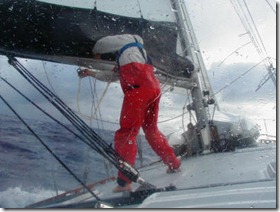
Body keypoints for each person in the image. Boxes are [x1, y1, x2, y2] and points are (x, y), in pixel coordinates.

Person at [78, 34, 181, 193]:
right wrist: (91, 73)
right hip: (153, 89)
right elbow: (112, 76)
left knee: (126, 133)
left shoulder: (130, 40)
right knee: (151, 130)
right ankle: (173, 163)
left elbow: (101, 44)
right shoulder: (134, 54)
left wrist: (95, 54)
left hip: (137, 91)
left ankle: (125, 182)